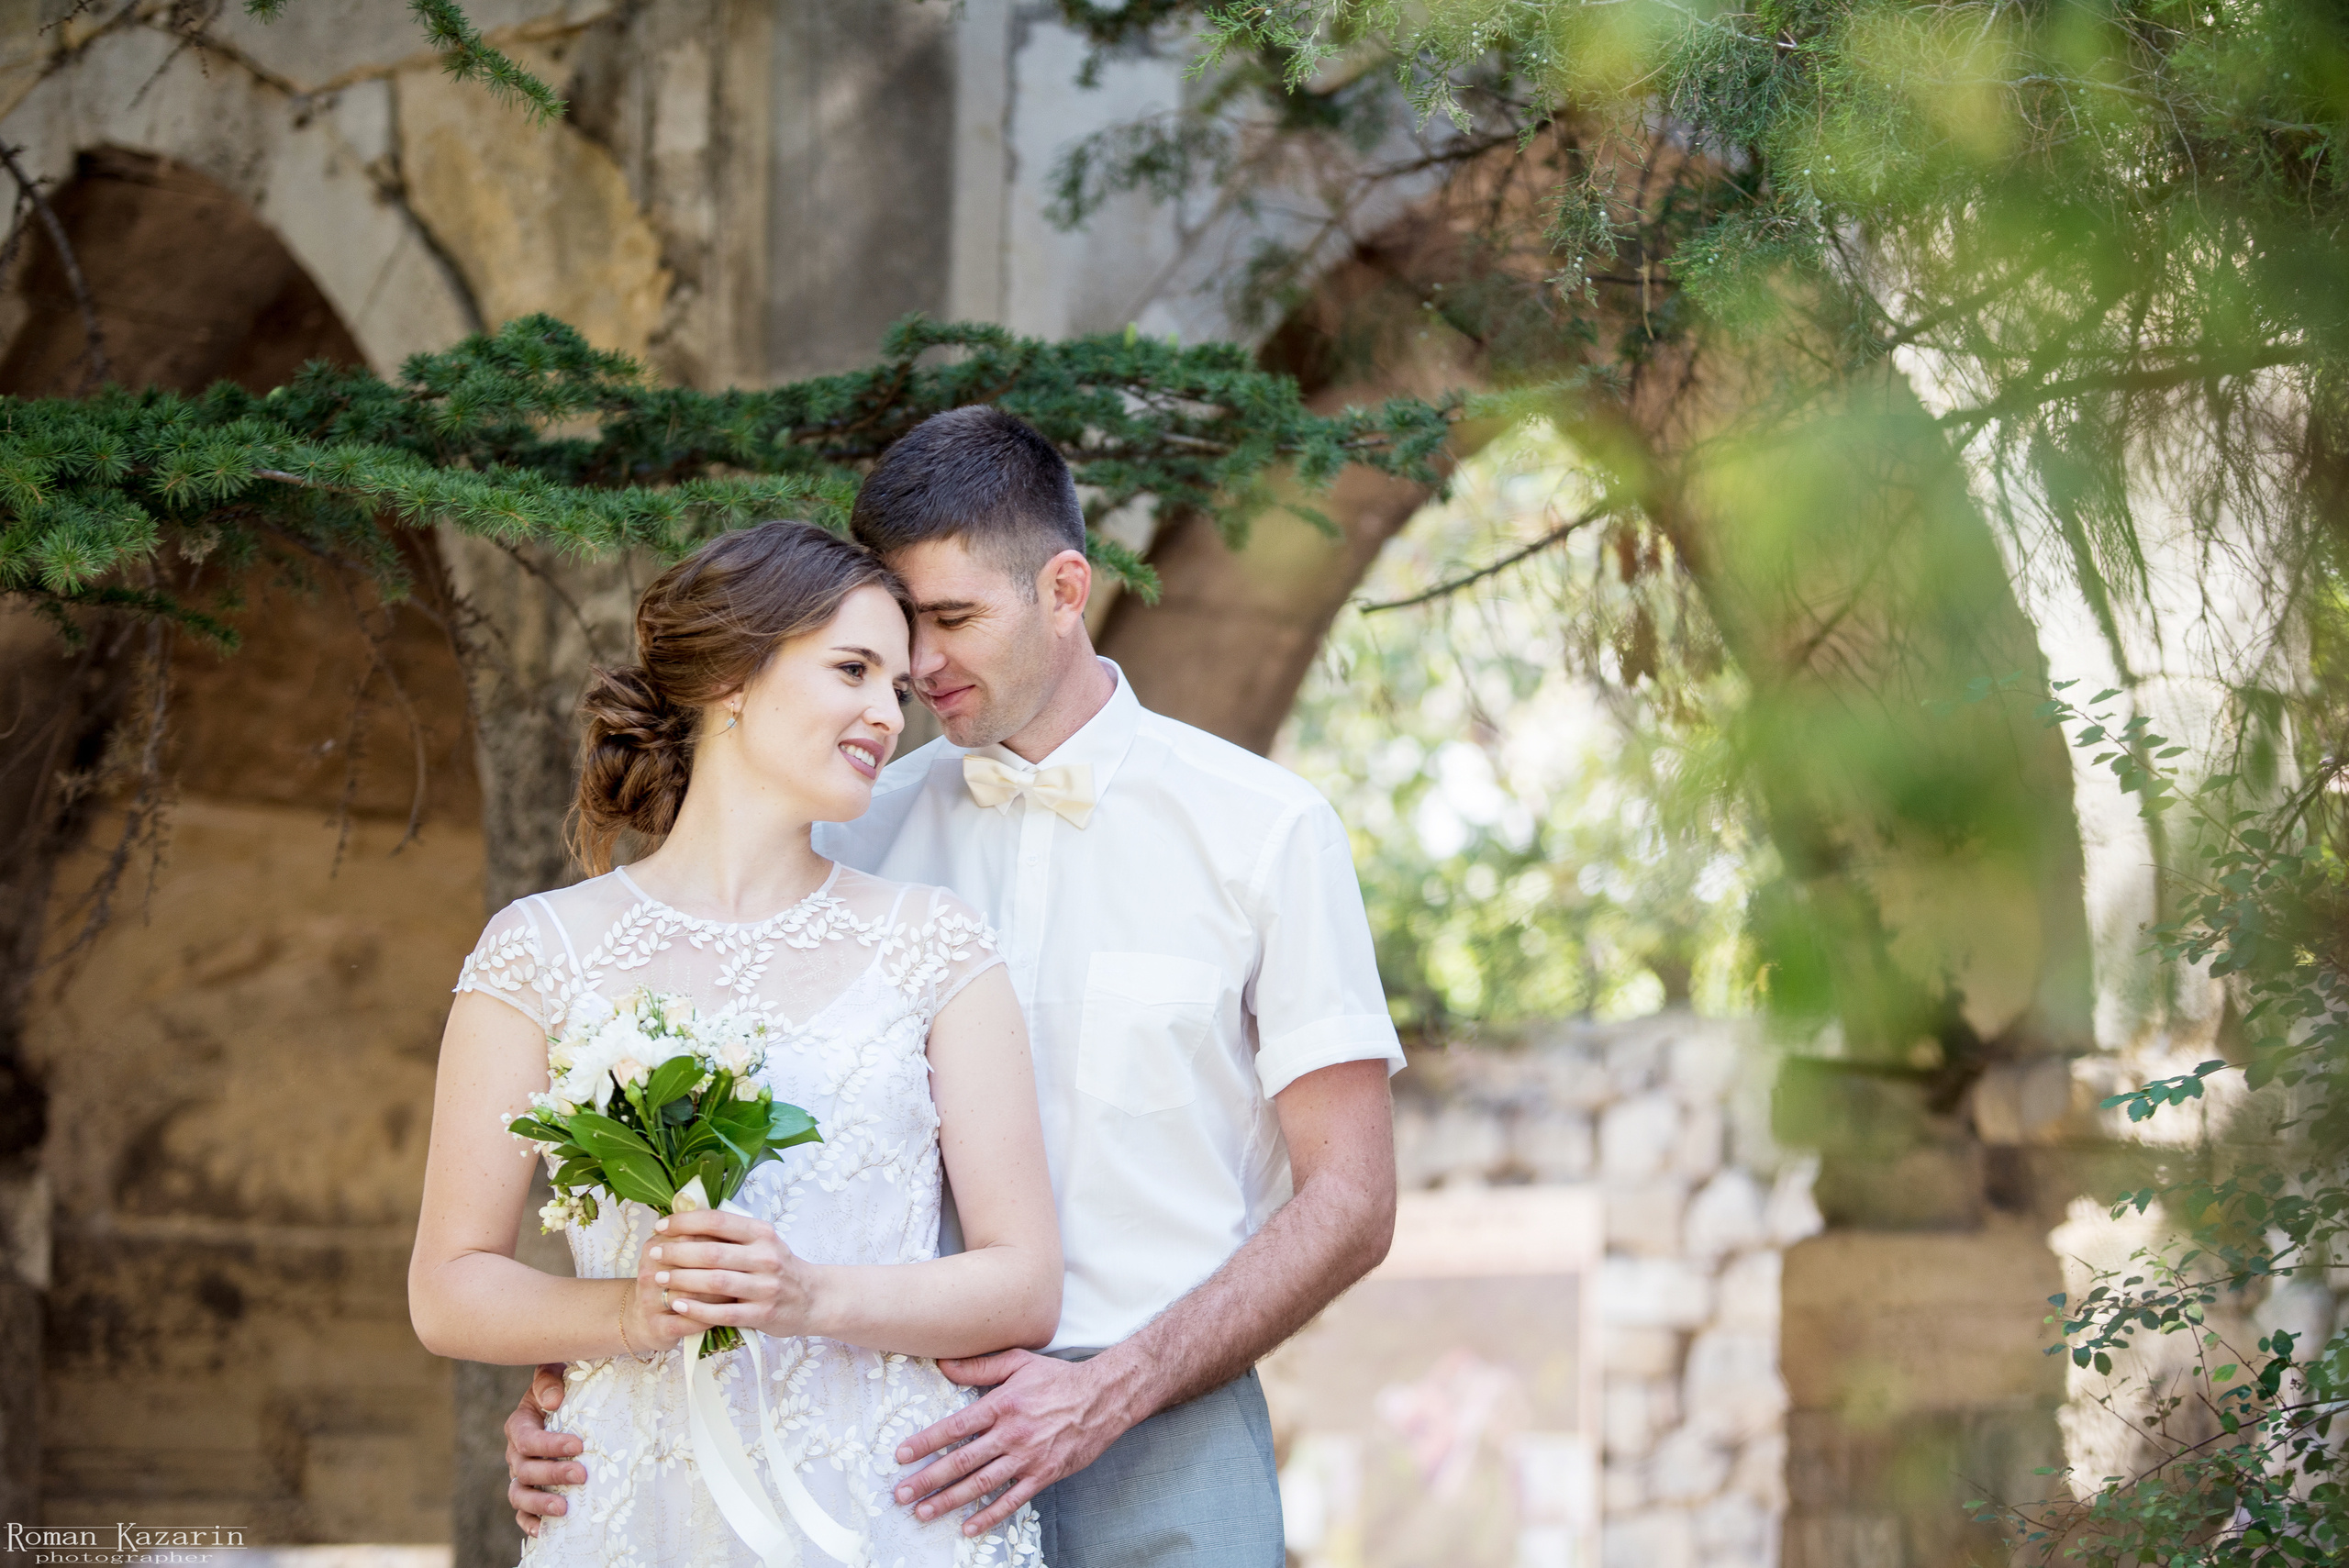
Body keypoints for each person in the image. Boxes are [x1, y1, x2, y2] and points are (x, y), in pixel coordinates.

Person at [507, 407, 1404, 1566]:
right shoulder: (841, 818)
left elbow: (1351, 1199)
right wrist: (585, 1378)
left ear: (1064, 589)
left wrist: (1117, 1386)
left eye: (954, 618)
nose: (919, 668)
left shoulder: (1264, 829)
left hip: (1168, 1424)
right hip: (878, 1445)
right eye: (898, 630)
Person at [411, 519, 1063, 1566]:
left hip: (884, 1500)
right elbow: (449, 1285)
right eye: (851, 668)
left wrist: (810, 1295)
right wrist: (631, 1313)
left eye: (897, 688)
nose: (886, 713)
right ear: (731, 678)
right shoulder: (537, 951)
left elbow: (1024, 1280)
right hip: (635, 1499)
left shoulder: (934, 943)